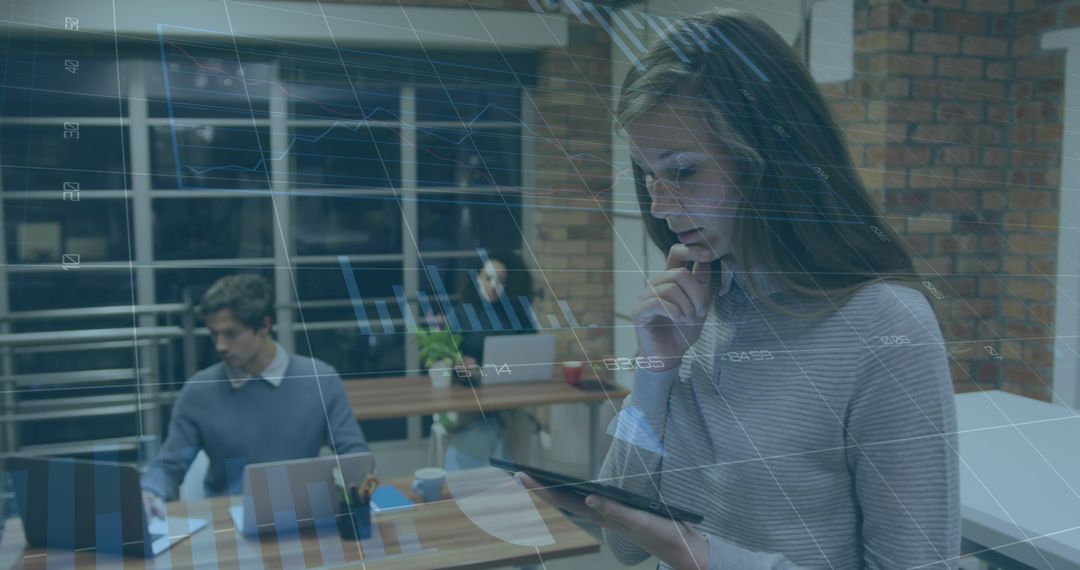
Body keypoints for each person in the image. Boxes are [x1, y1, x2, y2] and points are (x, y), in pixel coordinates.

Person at [520, 9, 959, 569]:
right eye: (647, 173)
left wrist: (699, 555)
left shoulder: (887, 326)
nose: (658, 204)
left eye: (681, 171)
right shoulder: (697, 304)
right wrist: (654, 375)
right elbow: (626, 545)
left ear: (770, 159)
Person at [141, 274, 369, 517]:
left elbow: (355, 455)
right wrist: (148, 492)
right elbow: (169, 465)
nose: (220, 346)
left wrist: (353, 483)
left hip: (302, 516)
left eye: (231, 334)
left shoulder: (320, 379)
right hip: (227, 523)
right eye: (214, 334)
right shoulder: (199, 391)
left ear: (264, 326)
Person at [454, 251, 537, 368]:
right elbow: (443, 354)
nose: (493, 286)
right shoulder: (461, 313)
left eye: (501, 281)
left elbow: (533, 350)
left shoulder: (520, 313)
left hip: (513, 378)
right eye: (488, 279)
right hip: (470, 382)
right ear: (477, 279)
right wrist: (458, 360)